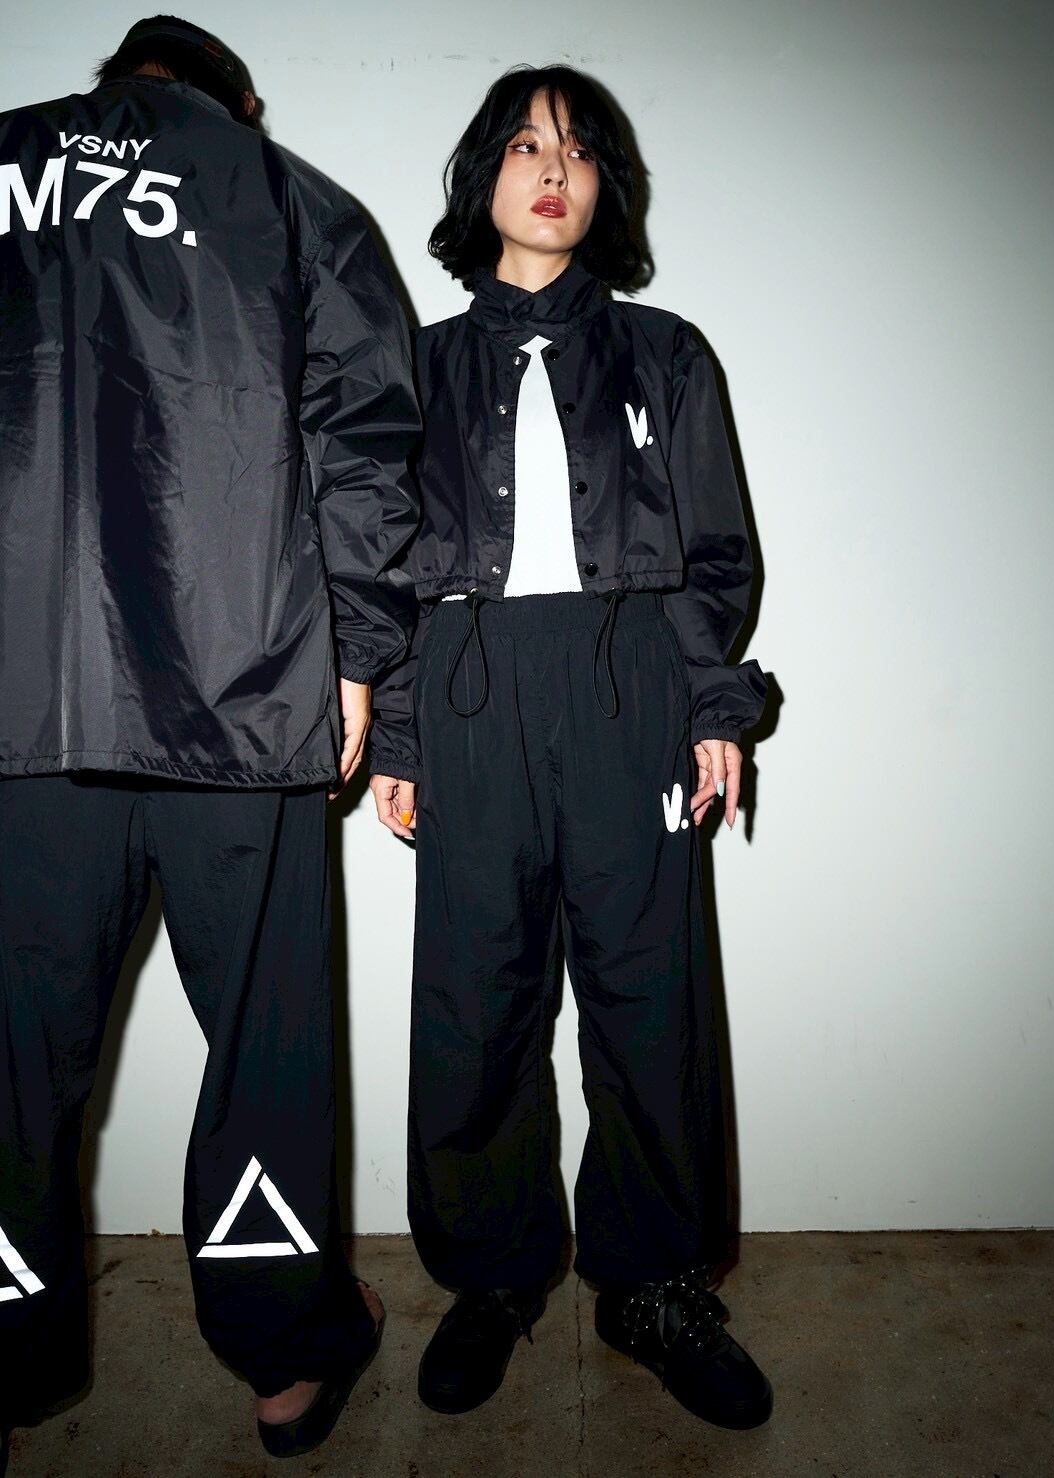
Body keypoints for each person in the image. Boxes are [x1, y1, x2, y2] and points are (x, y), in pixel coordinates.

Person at [0, 15, 420, 1464]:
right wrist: (358, 654)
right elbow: (368, 438)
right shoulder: (289, 193)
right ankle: (286, 1365)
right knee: (264, 1041)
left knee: (8, 1059)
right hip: (241, 690)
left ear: (115, 79)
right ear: (236, 102)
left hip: (15, 708)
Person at [368, 64, 772, 1430]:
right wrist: (401, 725)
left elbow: (717, 554)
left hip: (628, 682)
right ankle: (493, 1276)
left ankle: (653, 1282)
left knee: (648, 997)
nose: (554, 171)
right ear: (482, 172)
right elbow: (385, 568)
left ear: (608, 186)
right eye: (528, 145)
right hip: (471, 687)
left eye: (581, 150)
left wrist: (710, 706)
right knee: (475, 1000)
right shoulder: (414, 366)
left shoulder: (668, 354)